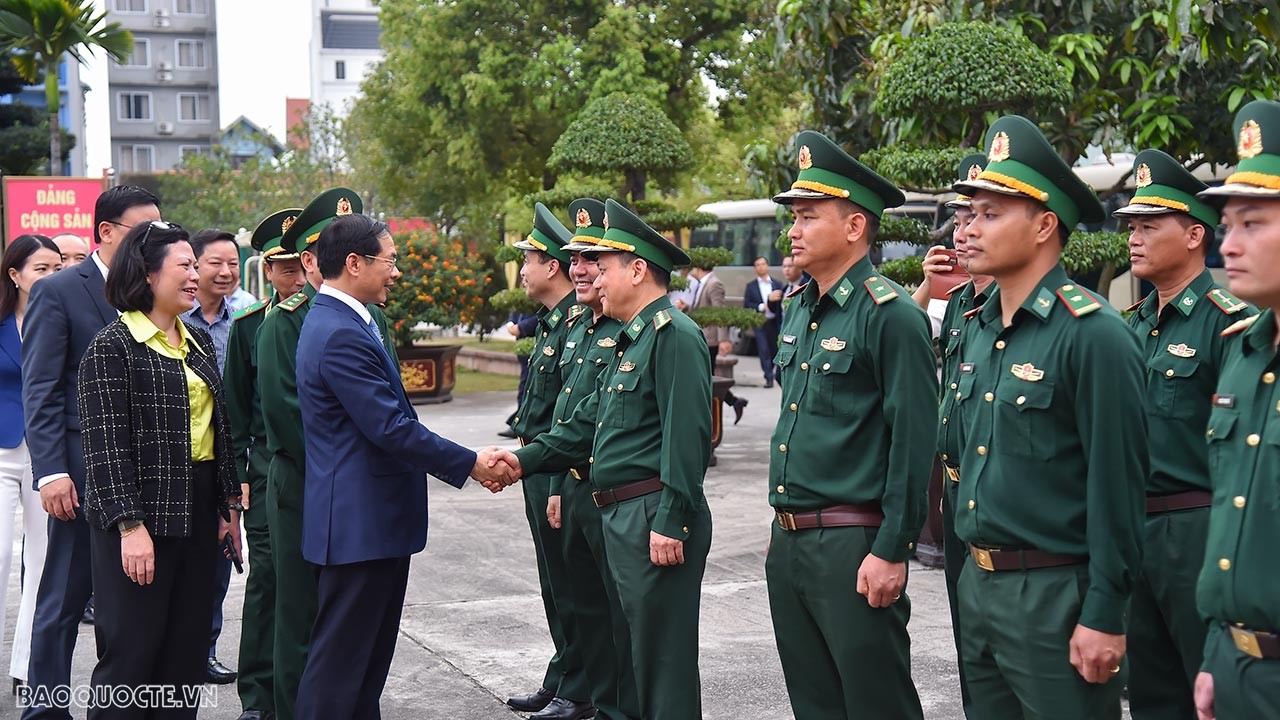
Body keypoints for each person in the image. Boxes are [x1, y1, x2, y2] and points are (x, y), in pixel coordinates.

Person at [950, 115, 1148, 718]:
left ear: (1043, 225)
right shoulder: (980, 330)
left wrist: (1105, 613)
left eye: (991, 214)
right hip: (978, 587)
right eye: (971, 212)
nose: (970, 229)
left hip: (1057, 595)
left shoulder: (1093, 335)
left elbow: (1118, 487)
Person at [497, 198, 714, 719]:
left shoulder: (674, 337)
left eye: (604, 264)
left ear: (637, 270)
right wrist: (520, 462)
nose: (589, 274)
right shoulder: (629, 340)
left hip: (650, 515)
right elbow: (581, 428)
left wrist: (672, 519)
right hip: (618, 512)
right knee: (627, 658)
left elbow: (689, 442)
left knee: (661, 665)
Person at [292, 212, 510, 718]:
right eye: (390, 262)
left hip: (369, 524)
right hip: (358, 526)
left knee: (363, 667)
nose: (396, 273)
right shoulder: (338, 330)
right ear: (354, 263)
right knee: (340, 668)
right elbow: (390, 428)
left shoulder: (345, 319)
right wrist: (472, 463)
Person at [765, 130, 934, 719]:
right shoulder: (800, 308)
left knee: (875, 702)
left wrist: (893, 547)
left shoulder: (891, 316)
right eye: (795, 218)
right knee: (814, 703)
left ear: (855, 227)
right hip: (790, 539)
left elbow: (915, 439)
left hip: (852, 542)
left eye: (809, 217)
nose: (793, 229)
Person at [78, 220, 243, 718]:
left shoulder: (197, 340)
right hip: (140, 516)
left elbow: (219, 432)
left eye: (197, 265)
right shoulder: (113, 346)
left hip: (196, 511)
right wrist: (130, 526)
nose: (197, 275)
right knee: (130, 655)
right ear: (148, 275)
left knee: (185, 654)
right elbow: (105, 449)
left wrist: (226, 506)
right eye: (185, 266)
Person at [1111, 149, 1247, 720]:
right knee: (1150, 695)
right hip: (1135, 529)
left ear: (1195, 235)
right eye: (1131, 227)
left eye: (1149, 226)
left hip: (1196, 529)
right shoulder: (1130, 326)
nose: (1134, 239)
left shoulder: (1228, 322)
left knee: (1208, 691)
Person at [256, 188, 399, 720]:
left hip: (352, 489)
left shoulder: (367, 318)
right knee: (305, 623)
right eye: (310, 253)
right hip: (309, 485)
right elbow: (290, 419)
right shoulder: (286, 322)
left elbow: (387, 407)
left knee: (350, 634)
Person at [21, 185, 161, 720]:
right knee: (63, 595)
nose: (154, 240)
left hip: (145, 471)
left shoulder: (155, 287)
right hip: (80, 470)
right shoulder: (60, 291)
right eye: (142, 231)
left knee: (129, 608)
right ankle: (45, 709)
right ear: (107, 232)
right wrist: (51, 470)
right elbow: (42, 387)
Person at [1191, 99, 1280, 720]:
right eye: (1228, 224)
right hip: (1235, 664)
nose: (1231, 244)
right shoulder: (1244, 353)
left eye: (1252, 223)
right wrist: (1216, 655)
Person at [540, 198, 639, 720]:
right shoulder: (579, 326)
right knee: (585, 607)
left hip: (615, 493)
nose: (582, 270)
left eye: (593, 261)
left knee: (619, 616)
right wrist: (555, 482)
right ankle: (597, 702)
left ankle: (615, 704)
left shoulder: (632, 333)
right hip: (575, 483)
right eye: (575, 259)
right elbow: (567, 418)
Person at [910, 153, 994, 720]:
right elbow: (905, 339)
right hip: (959, 497)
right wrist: (925, 285)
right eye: (959, 220)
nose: (963, 233)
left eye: (978, 218)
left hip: (1014, 505)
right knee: (972, 646)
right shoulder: (957, 304)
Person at [504, 203, 594, 720]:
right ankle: (563, 672)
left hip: (554, 469)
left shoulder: (576, 327)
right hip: (538, 465)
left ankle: (578, 689)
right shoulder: (554, 323)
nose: (523, 269)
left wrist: (559, 481)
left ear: (552, 267)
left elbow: (572, 420)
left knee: (569, 582)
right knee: (552, 580)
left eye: (529, 259)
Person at [223, 208, 305, 720]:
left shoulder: (324, 314)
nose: (294, 275)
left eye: (302, 264)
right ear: (267, 269)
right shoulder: (250, 326)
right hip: (267, 466)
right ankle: (257, 692)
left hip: (320, 469)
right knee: (268, 580)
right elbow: (234, 408)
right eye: (284, 266)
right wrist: (237, 482)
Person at [183, 227, 245, 685]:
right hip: (181, 455)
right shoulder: (172, 317)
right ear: (193, 265)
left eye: (233, 263)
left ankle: (204, 649)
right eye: (214, 264)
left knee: (222, 555)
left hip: (227, 452)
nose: (225, 272)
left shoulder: (245, 316)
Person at [0, 236, 62, 692]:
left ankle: (28, 666)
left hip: (49, 455)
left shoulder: (64, 318)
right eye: (41, 268)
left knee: (45, 562)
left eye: (57, 267)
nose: (51, 276)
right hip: (1, 452)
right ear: (15, 275)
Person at [688, 260, 747, 422]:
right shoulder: (704, 283)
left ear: (699, 268)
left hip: (710, 339)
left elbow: (719, 312)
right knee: (706, 375)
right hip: (703, 336)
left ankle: (728, 404)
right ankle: (735, 401)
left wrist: (724, 340)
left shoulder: (714, 284)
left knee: (706, 376)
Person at [742, 256, 782, 387]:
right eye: (758, 265)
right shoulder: (751, 286)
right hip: (760, 323)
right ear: (755, 268)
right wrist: (760, 306)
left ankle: (771, 370)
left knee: (774, 349)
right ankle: (769, 377)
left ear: (767, 266)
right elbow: (747, 304)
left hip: (774, 322)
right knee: (763, 349)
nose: (761, 267)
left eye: (763, 264)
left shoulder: (777, 284)